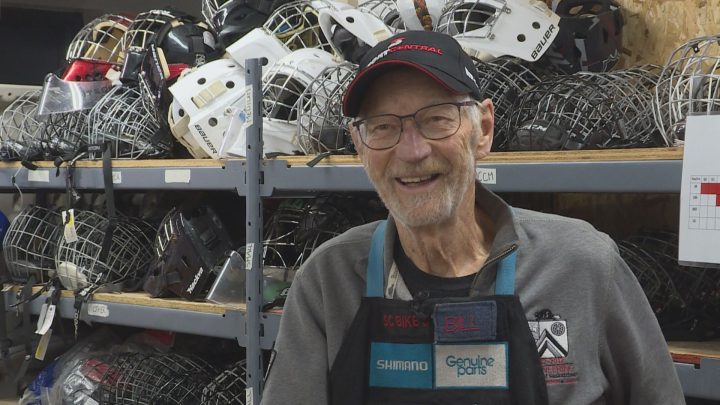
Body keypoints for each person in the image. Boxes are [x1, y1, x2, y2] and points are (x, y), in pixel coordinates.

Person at [261, 30, 685, 405]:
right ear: (359, 145)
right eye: (383, 127)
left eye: (436, 119)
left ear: (483, 129)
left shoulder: (582, 265)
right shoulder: (329, 282)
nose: (412, 151)